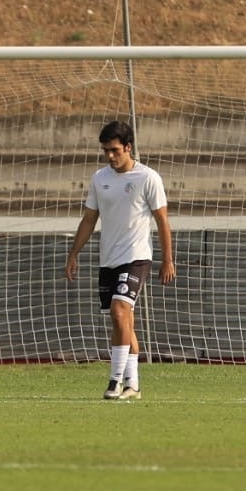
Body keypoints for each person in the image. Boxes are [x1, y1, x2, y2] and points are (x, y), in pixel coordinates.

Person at [64, 119, 176, 400]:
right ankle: (133, 386)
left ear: (128, 147)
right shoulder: (99, 178)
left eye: (115, 150)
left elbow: (162, 220)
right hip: (108, 260)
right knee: (122, 322)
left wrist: (168, 260)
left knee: (119, 311)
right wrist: (73, 254)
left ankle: (114, 381)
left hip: (137, 257)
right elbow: (89, 219)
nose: (110, 156)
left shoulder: (148, 178)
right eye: (105, 151)